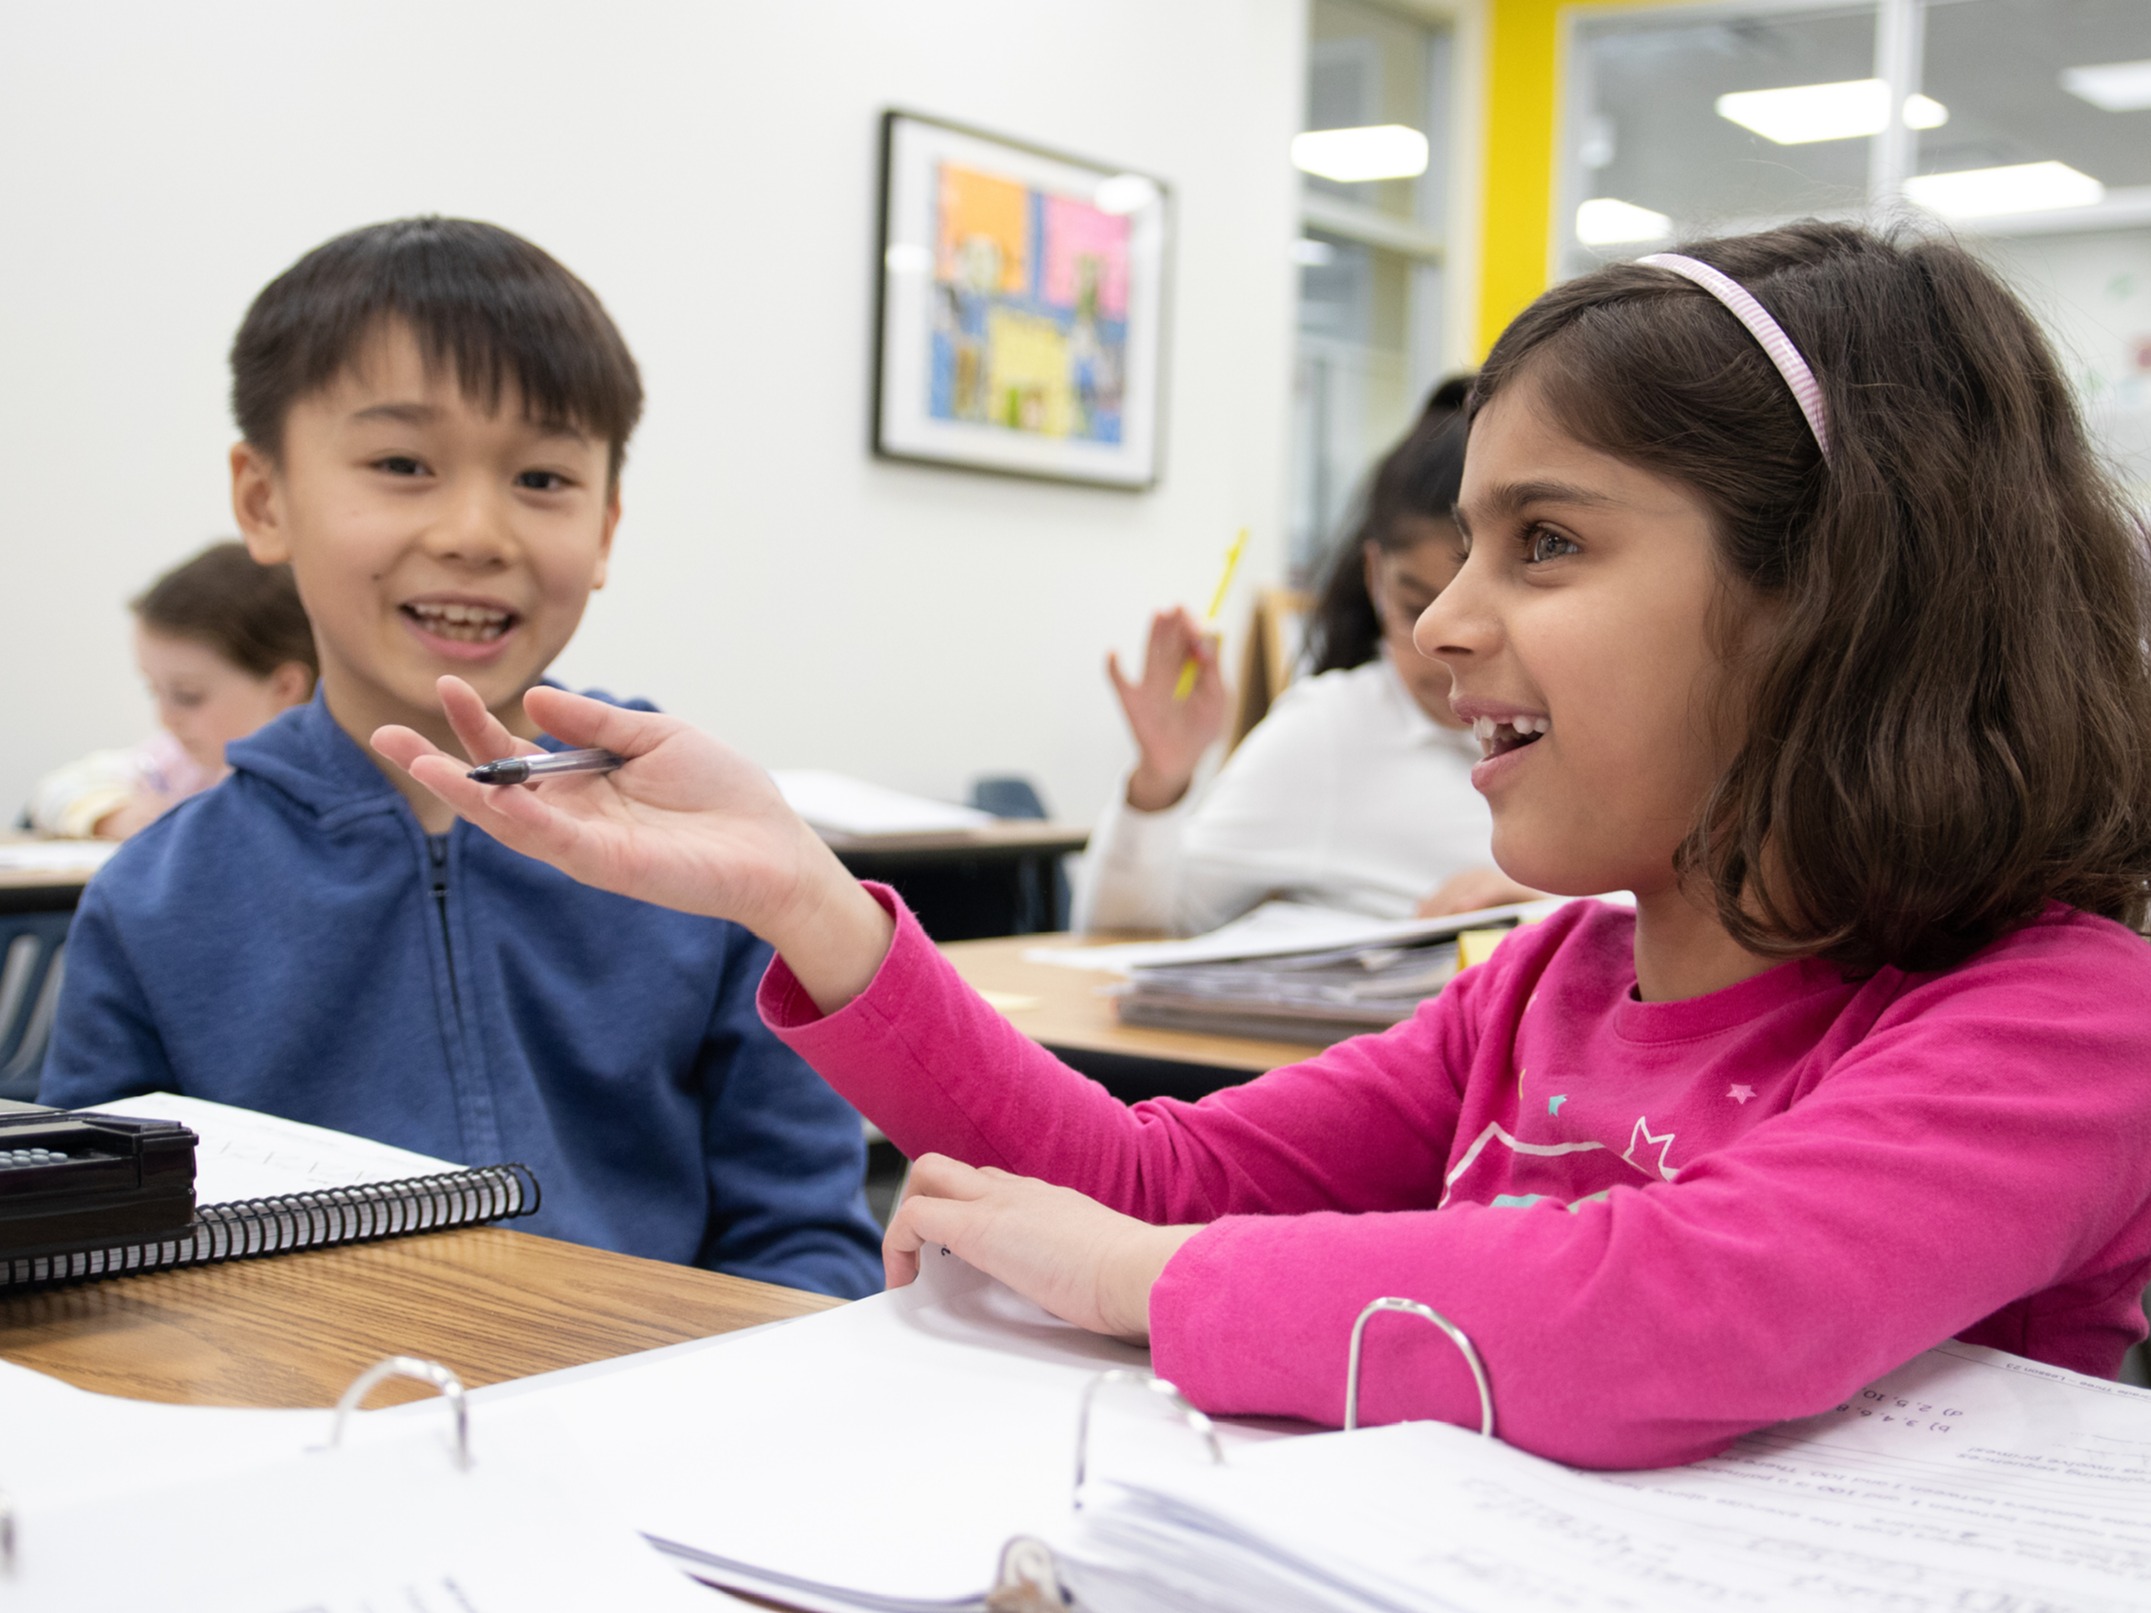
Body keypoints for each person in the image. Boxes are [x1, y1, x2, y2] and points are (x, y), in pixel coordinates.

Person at [376, 221, 2151, 1469]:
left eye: (1544, 543)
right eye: (1457, 550)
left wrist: (1148, 1287)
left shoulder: (2069, 1021)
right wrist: (802, 896)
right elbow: (1148, 1180)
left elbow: (1686, 1311)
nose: (1439, 624)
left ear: (1834, 593)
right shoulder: (1544, 985)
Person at [40, 217, 883, 1300]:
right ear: (264, 499)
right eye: (402, 464)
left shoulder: (712, 857)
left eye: (542, 477)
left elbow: (808, 1242)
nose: (476, 531)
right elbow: (95, 1274)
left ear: (606, 526)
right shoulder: (156, 900)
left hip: (667, 1390)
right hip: (305, 1398)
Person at [1075, 398, 1537, 935]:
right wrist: (1159, 782)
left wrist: (1546, 911)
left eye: (1480, 613)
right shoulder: (1331, 731)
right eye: (1414, 607)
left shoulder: (1576, 730)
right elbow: (1124, 932)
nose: (1439, 644)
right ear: (1374, 577)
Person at [26, 543, 314, 839]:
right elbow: (56, 790)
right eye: (153, 690)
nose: (165, 718)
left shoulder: (317, 782)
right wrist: (116, 817)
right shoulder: (177, 763)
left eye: (188, 695)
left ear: (285, 687)